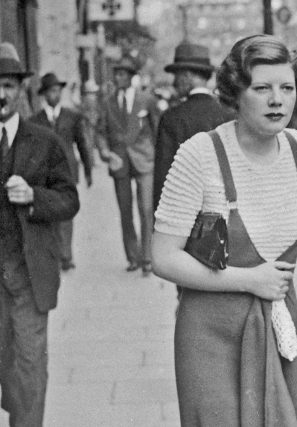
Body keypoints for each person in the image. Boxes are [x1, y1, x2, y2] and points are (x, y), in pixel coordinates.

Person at [152, 34, 297, 426]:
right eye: (262, 88)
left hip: (278, 324)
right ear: (235, 93)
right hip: (211, 334)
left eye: (287, 88)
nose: (277, 100)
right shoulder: (199, 155)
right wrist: (250, 280)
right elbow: (163, 258)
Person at [0, 42, 79, 427]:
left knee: (30, 362)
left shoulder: (44, 142)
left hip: (29, 275)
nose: (0, 95)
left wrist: (34, 196)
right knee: (6, 365)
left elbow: (69, 200)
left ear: (21, 91)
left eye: (8, 86)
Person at [153, 41, 234, 211]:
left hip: (185, 211)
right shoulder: (228, 115)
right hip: (223, 210)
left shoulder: (171, 118)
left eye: (177, 75)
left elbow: (163, 176)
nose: (174, 82)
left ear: (187, 75)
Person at [96, 56, 159, 275]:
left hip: (144, 160)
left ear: (132, 77)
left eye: (122, 74)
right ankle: (133, 257)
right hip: (119, 160)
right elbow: (100, 131)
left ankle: (147, 257)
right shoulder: (107, 102)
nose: (117, 78)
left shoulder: (147, 99)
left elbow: (157, 129)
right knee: (125, 211)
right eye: (116, 74)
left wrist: (157, 156)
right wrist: (105, 152)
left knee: (146, 209)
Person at [30, 72, 94, 271]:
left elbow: (82, 144)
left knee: (66, 211)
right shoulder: (35, 120)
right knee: (50, 213)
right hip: (44, 174)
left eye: (57, 91)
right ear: (44, 94)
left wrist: (88, 170)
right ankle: (55, 255)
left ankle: (66, 255)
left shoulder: (72, 117)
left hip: (67, 172)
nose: (54, 95)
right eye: (51, 91)